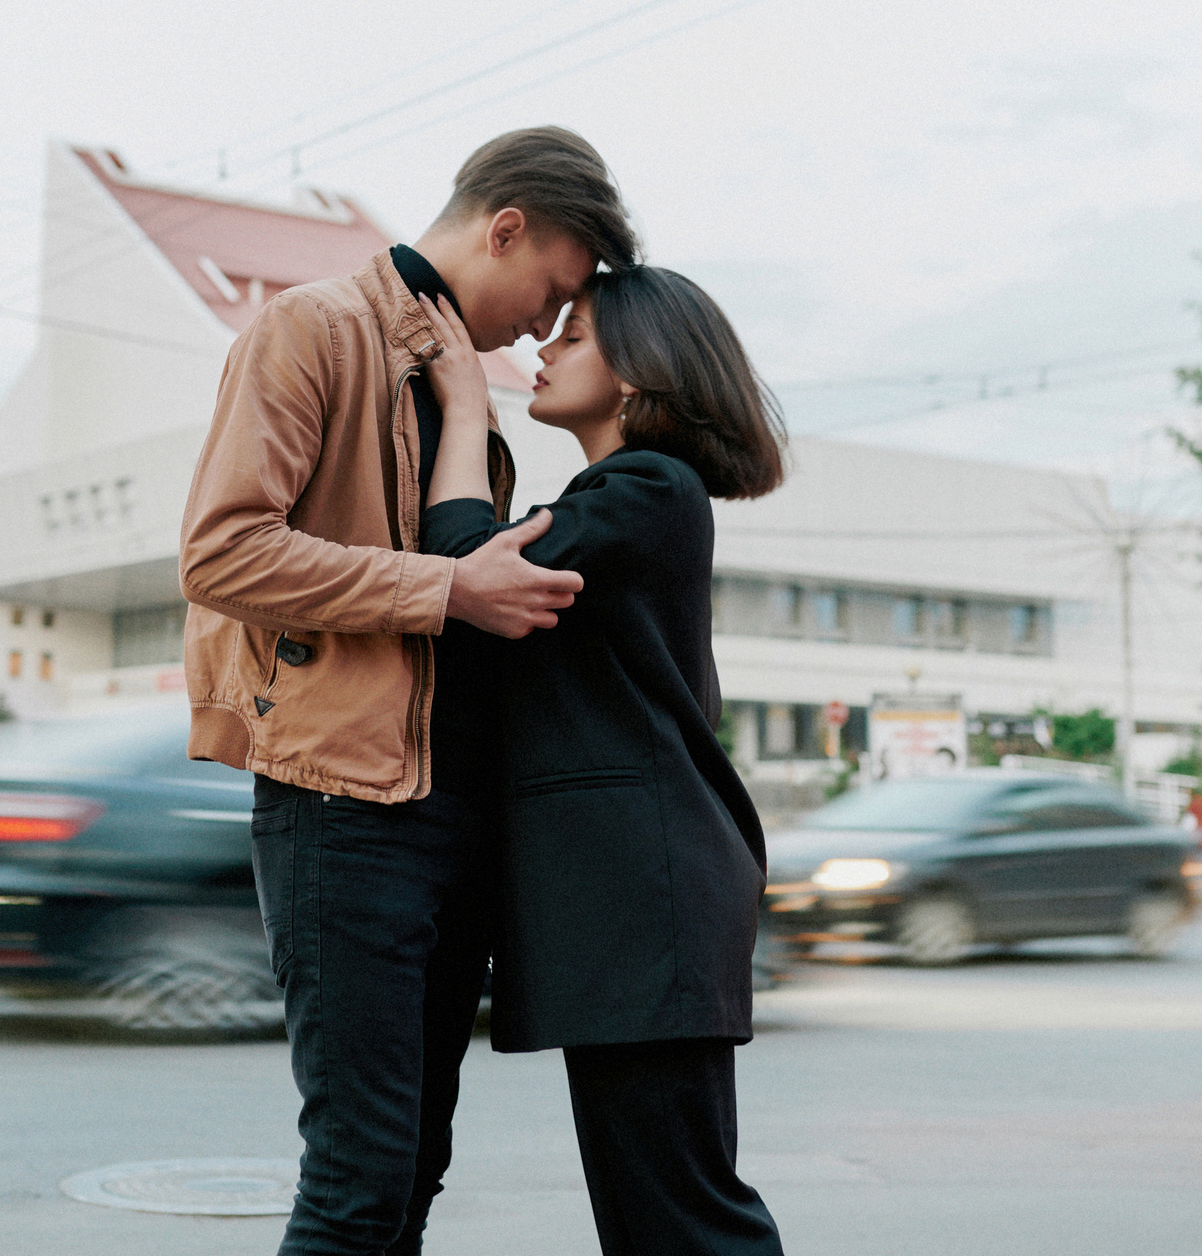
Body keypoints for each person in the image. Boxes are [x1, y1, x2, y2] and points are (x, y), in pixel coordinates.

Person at [178, 126, 640, 1256]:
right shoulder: (312, 329)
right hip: (343, 807)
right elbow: (222, 555)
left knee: (412, 1169)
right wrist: (446, 589)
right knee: (357, 1175)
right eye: (552, 292)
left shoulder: (459, 393)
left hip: (448, 817)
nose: (543, 325)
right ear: (505, 227)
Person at [413, 265, 789, 1256]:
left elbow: (465, 560)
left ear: (637, 373)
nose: (541, 349)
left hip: (646, 902)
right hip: (637, 901)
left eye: (570, 336)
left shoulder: (646, 489)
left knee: (683, 1221)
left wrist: (461, 405)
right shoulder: (623, 500)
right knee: (653, 1219)